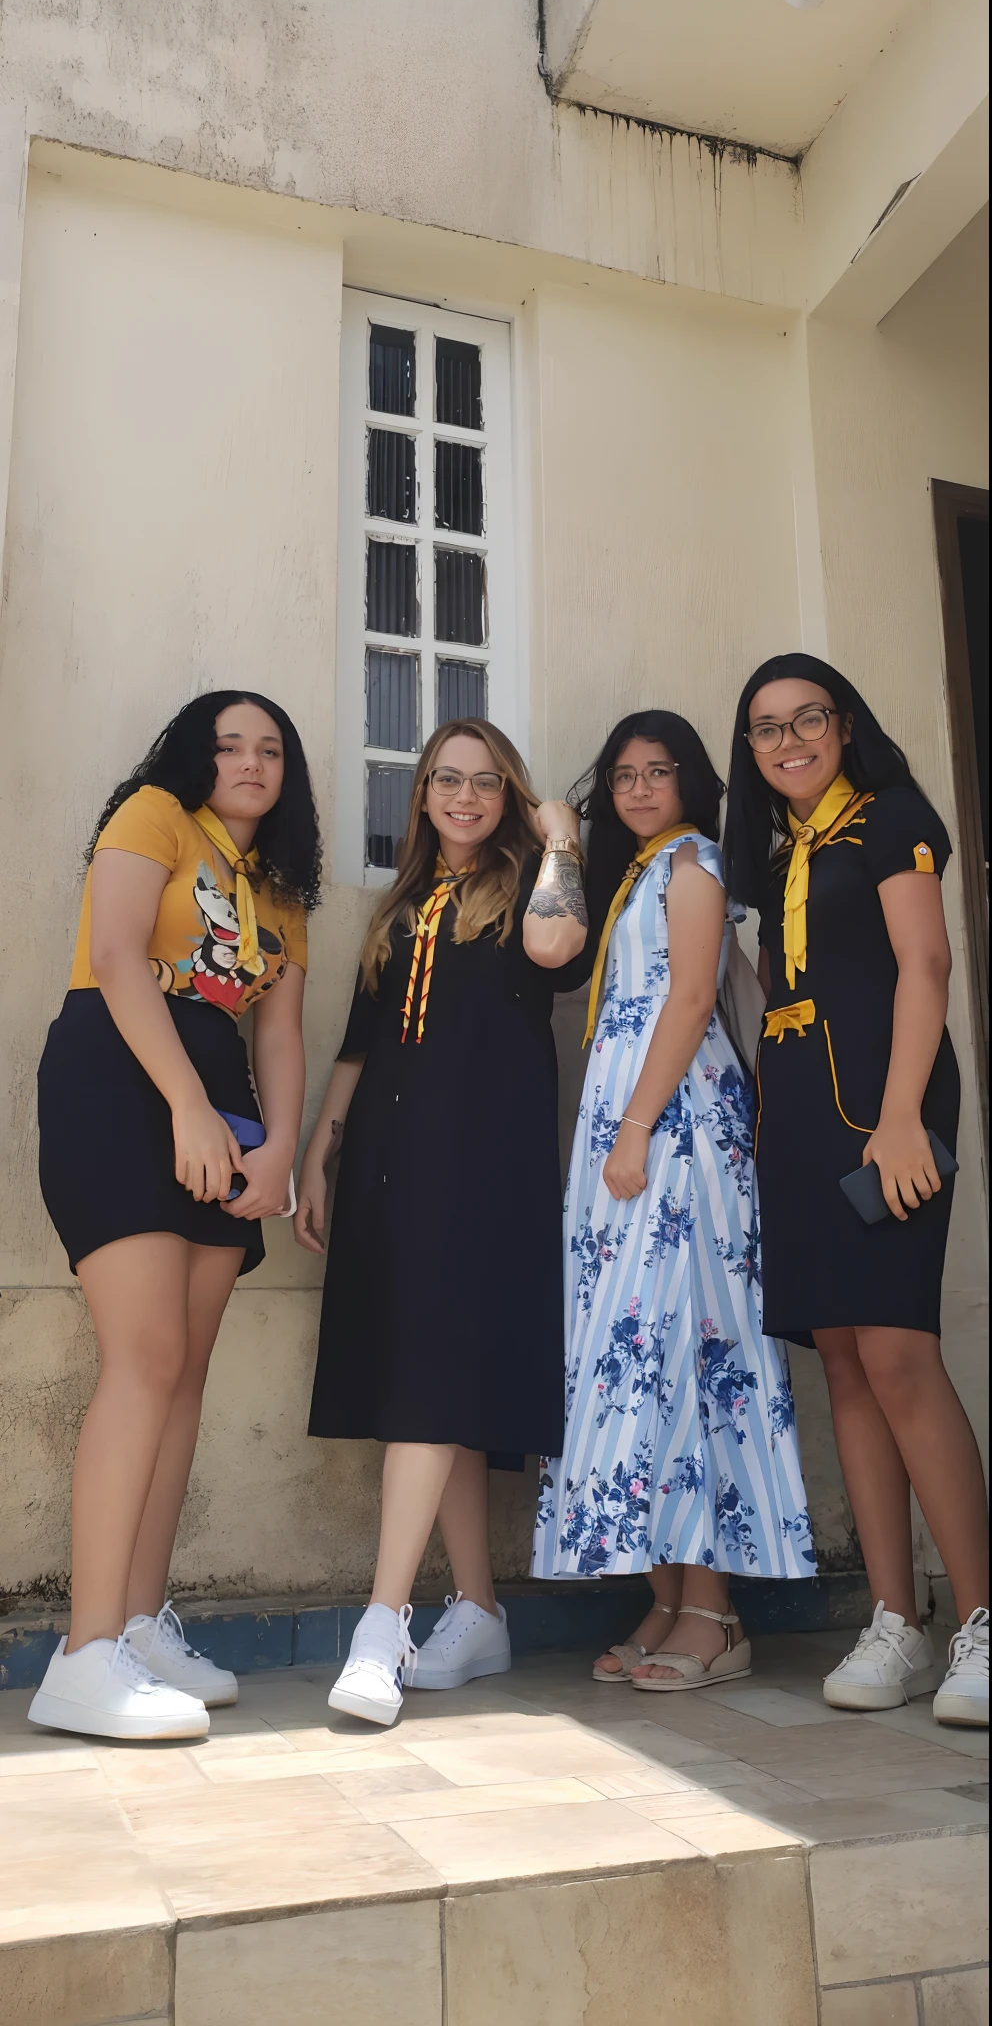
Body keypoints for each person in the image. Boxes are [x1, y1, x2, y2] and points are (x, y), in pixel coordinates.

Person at [29, 692, 319, 1742]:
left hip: (224, 1100)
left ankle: (139, 1624)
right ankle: (83, 1652)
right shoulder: (152, 814)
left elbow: (279, 1029)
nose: (248, 761)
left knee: (184, 1373)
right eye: (228, 743)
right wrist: (187, 1109)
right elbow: (113, 958)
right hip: (120, 1075)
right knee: (143, 1358)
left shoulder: (280, 888)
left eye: (269, 748)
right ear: (194, 758)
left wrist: (278, 1144)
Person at [298, 719, 590, 1725]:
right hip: (389, 1166)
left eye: (484, 783)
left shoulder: (525, 891)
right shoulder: (400, 905)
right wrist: (318, 1154)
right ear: (421, 793)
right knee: (433, 1382)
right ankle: (477, 1607)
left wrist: (560, 840)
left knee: (428, 1380)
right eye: (444, 780)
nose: (462, 798)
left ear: (509, 795)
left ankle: (382, 1624)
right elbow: (357, 1042)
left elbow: (560, 947)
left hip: (481, 1168)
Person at [723, 654, 988, 1727]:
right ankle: (895, 1617)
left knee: (895, 1350)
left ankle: (978, 1615)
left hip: (884, 1107)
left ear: (842, 723)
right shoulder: (775, 844)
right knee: (839, 1357)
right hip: (792, 1115)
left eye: (806, 719)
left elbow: (922, 967)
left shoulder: (889, 817)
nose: (787, 741)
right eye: (764, 728)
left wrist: (897, 1119)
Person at [533, 712, 815, 1692]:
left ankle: (714, 1611)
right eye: (623, 774)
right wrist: (560, 844)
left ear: (693, 782)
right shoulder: (633, 876)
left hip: (673, 1132)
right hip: (633, 1134)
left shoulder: (693, 863)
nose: (641, 787)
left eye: (659, 771)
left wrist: (633, 1128)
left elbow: (692, 998)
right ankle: (665, 1592)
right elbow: (548, 948)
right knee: (632, 1352)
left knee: (691, 1349)